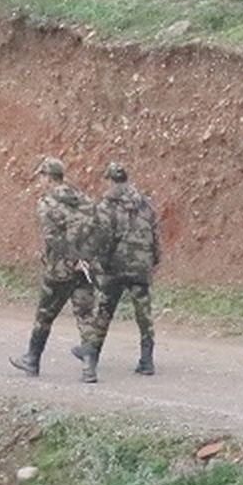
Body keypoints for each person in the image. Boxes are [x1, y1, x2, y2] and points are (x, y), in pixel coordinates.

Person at [10, 157, 107, 383]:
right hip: (86, 268)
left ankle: (32, 360)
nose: (40, 181)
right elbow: (99, 228)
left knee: (45, 314)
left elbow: (53, 238)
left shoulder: (46, 203)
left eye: (41, 176)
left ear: (47, 177)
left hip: (61, 268)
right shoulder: (83, 198)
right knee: (85, 315)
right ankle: (89, 370)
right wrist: (87, 258)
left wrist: (71, 258)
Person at [85, 160, 162, 375]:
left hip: (116, 268)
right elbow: (156, 235)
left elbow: (102, 237)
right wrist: (153, 260)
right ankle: (147, 361)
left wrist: (99, 262)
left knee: (104, 311)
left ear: (110, 180)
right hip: (141, 266)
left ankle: (91, 358)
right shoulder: (146, 203)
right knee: (144, 315)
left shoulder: (107, 204)